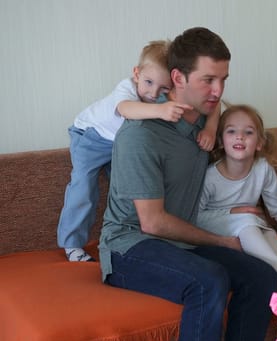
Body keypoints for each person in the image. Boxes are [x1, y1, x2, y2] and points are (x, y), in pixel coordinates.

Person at [98, 27, 277, 341]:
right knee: (208, 281)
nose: (218, 90)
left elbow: (231, 129)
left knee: (262, 277)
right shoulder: (141, 135)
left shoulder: (203, 121)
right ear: (178, 78)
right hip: (128, 247)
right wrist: (221, 241)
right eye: (208, 80)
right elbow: (152, 222)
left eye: (223, 79)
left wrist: (231, 210)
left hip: (176, 243)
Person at [58, 39, 220, 262]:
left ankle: (143, 235)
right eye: (149, 82)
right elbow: (126, 109)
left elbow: (213, 101)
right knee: (83, 186)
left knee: (131, 190)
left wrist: (210, 128)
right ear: (136, 73)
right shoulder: (127, 89)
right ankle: (72, 244)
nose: (153, 93)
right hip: (92, 137)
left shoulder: (163, 94)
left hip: (122, 144)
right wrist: (161, 110)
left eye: (163, 88)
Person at [196, 104, 277, 292]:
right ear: (221, 141)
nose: (239, 137)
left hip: (250, 225)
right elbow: (196, 217)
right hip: (211, 225)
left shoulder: (262, 169)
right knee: (249, 219)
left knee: (267, 231)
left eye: (248, 132)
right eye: (231, 131)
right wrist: (233, 212)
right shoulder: (210, 177)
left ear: (259, 143)